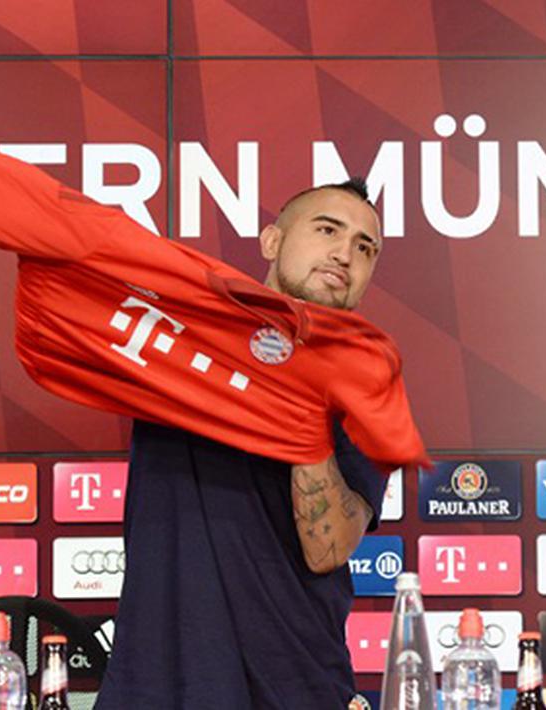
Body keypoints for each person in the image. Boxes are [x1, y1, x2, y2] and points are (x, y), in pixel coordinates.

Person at [92, 178, 391, 709]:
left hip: (296, 686)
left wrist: (304, 405)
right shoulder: (183, 331)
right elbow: (81, 284)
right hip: (161, 682)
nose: (345, 253)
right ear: (272, 241)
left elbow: (329, 548)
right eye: (327, 229)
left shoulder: (367, 390)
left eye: (365, 248)